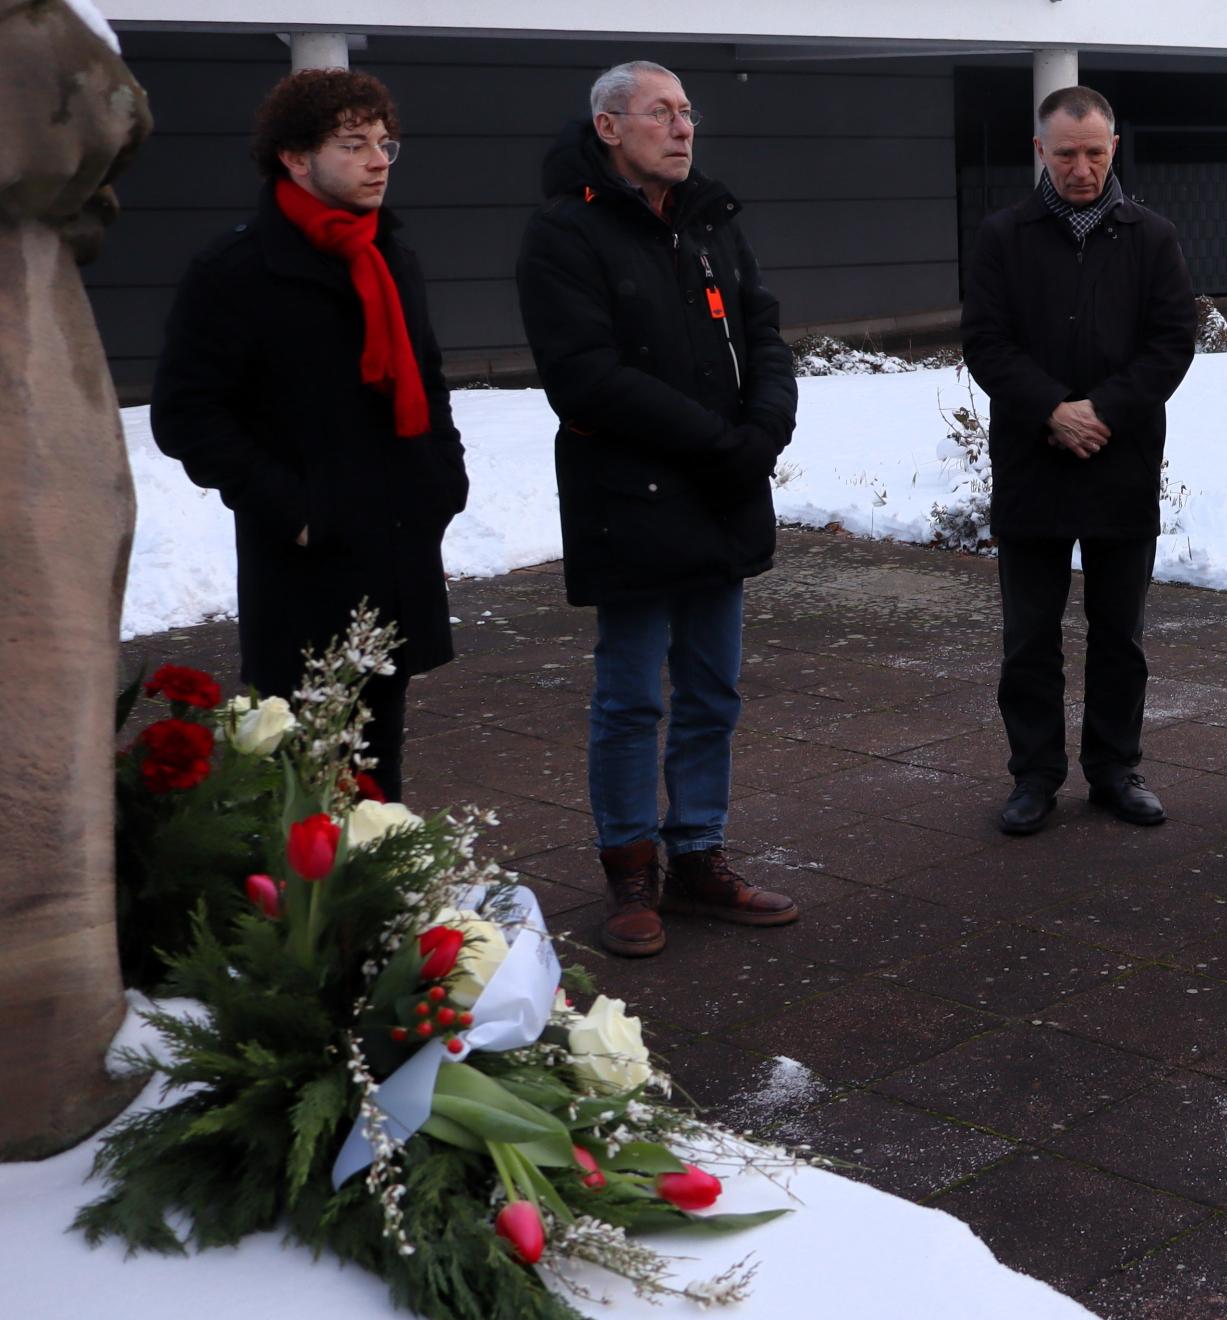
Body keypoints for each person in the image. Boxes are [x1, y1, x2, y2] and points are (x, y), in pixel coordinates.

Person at [515, 60, 799, 958]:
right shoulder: (564, 233)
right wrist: (720, 443)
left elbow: (765, 332)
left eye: (687, 112)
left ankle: (699, 856)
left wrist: (766, 427)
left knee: (713, 691)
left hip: (722, 491)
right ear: (608, 127)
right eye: (660, 113)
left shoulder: (711, 220)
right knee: (633, 696)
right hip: (630, 498)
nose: (683, 129)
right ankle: (630, 867)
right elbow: (586, 377)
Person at [152, 68, 465, 803]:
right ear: (294, 157)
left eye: (385, 143)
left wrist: (442, 480)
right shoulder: (236, 272)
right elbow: (187, 414)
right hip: (304, 568)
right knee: (299, 782)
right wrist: (294, 509)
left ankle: (374, 877)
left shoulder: (390, 256)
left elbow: (427, 379)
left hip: (393, 550)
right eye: (354, 145)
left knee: (377, 773)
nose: (379, 161)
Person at [963, 86, 1196, 837]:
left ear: (1114, 148)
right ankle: (1034, 776)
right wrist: (1053, 409)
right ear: (1041, 151)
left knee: (1119, 634)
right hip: (1032, 461)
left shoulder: (1152, 236)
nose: (1081, 168)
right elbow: (986, 342)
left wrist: (1102, 411)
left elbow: (1172, 342)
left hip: (1120, 460)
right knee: (1029, 637)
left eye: (1095, 152)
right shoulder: (1003, 236)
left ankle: (1115, 769)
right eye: (1065, 154)